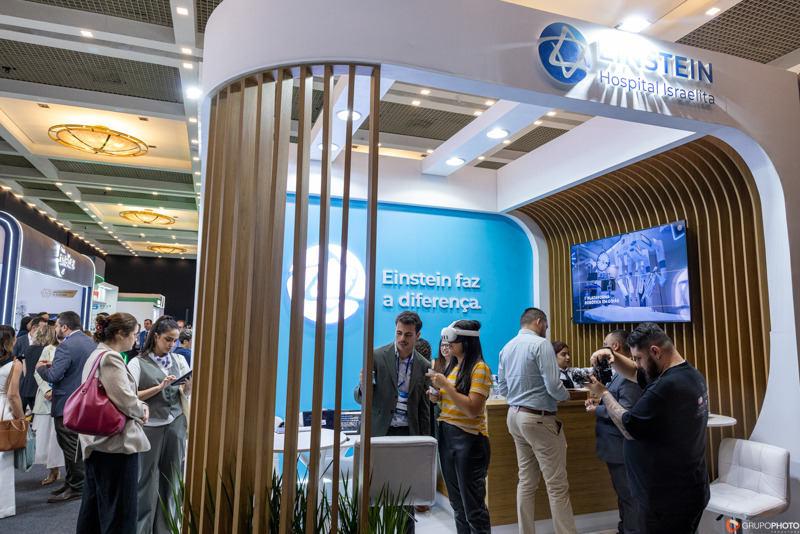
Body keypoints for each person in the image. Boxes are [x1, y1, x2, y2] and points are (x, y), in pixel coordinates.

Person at [584, 322, 710, 534]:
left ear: (655, 352)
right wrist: (612, 356)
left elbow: (629, 427)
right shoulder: (689, 374)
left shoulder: (666, 386)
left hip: (667, 500)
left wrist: (602, 392)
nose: (637, 364)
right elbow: (636, 373)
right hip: (686, 488)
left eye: (639, 358)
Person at [497, 307, 577, 534]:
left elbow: (503, 388)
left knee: (526, 481)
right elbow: (553, 385)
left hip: (514, 416)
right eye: (546, 326)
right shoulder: (541, 345)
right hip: (538, 419)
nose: (546, 330)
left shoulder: (506, 347)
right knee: (557, 485)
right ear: (539, 322)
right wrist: (567, 395)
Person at [354, 311, 431, 534]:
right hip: (378, 432)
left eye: (408, 334)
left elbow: (424, 410)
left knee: (405, 493)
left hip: (408, 435)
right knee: (371, 491)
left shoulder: (425, 365)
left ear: (417, 335)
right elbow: (360, 398)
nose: (402, 339)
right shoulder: (376, 356)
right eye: (399, 333)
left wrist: (424, 443)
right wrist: (363, 387)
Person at [77, 313, 150, 534]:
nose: (136, 340)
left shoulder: (97, 354)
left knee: (95, 511)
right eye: (134, 335)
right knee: (119, 514)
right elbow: (125, 399)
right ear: (120, 333)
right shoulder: (110, 358)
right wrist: (141, 409)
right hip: (115, 444)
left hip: (98, 442)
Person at [427, 320, 492, 533]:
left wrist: (446, 386)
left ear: (467, 341)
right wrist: (438, 398)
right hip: (447, 437)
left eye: (453, 339)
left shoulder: (480, 369)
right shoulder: (452, 367)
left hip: (469, 442)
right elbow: (452, 404)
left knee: (474, 509)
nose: (447, 344)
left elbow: (472, 409)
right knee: (457, 507)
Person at [128, 315, 191, 533]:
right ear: (156, 336)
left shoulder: (179, 360)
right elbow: (129, 395)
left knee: (173, 480)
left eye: (175, 340)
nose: (171, 345)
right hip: (149, 427)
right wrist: (159, 387)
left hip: (176, 424)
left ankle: (167, 529)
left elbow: (184, 395)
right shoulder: (137, 362)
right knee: (143, 482)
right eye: (168, 339)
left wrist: (189, 386)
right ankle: (140, 528)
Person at [584, 330, 643, 534]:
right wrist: (598, 402)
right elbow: (613, 400)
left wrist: (598, 410)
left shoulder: (628, 375)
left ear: (615, 346)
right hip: (614, 446)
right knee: (623, 494)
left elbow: (627, 411)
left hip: (621, 446)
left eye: (605, 343)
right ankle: (624, 528)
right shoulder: (615, 373)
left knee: (629, 496)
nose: (602, 346)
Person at [36, 311, 98, 503]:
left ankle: (77, 487)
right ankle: (71, 483)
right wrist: (54, 364)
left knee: (70, 447)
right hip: (84, 402)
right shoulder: (91, 343)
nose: (55, 330)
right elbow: (76, 369)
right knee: (75, 445)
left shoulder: (66, 345)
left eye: (57, 326)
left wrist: (40, 368)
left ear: (64, 327)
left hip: (66, 404)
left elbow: (53, 376)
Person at [31, 324, 65, 486]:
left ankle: (58, 469)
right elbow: (38, 371)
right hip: (45, 400)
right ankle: (52, 470)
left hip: (62, 398)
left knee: (58, 438)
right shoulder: (48, 349)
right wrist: (47, 390)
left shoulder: (69, 350)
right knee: (44, 437)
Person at [0, 325, 24, 519]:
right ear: (11, 340)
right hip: (4, 411)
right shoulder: (15, 364)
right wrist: (22, 419)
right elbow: (13, 396)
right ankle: (3, 507)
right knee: (3, 461)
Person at [19, 316, 48, 411]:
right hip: (35, 387)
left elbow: (25, 370)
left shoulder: (29, 349)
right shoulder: (46, 350)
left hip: (28, 387)